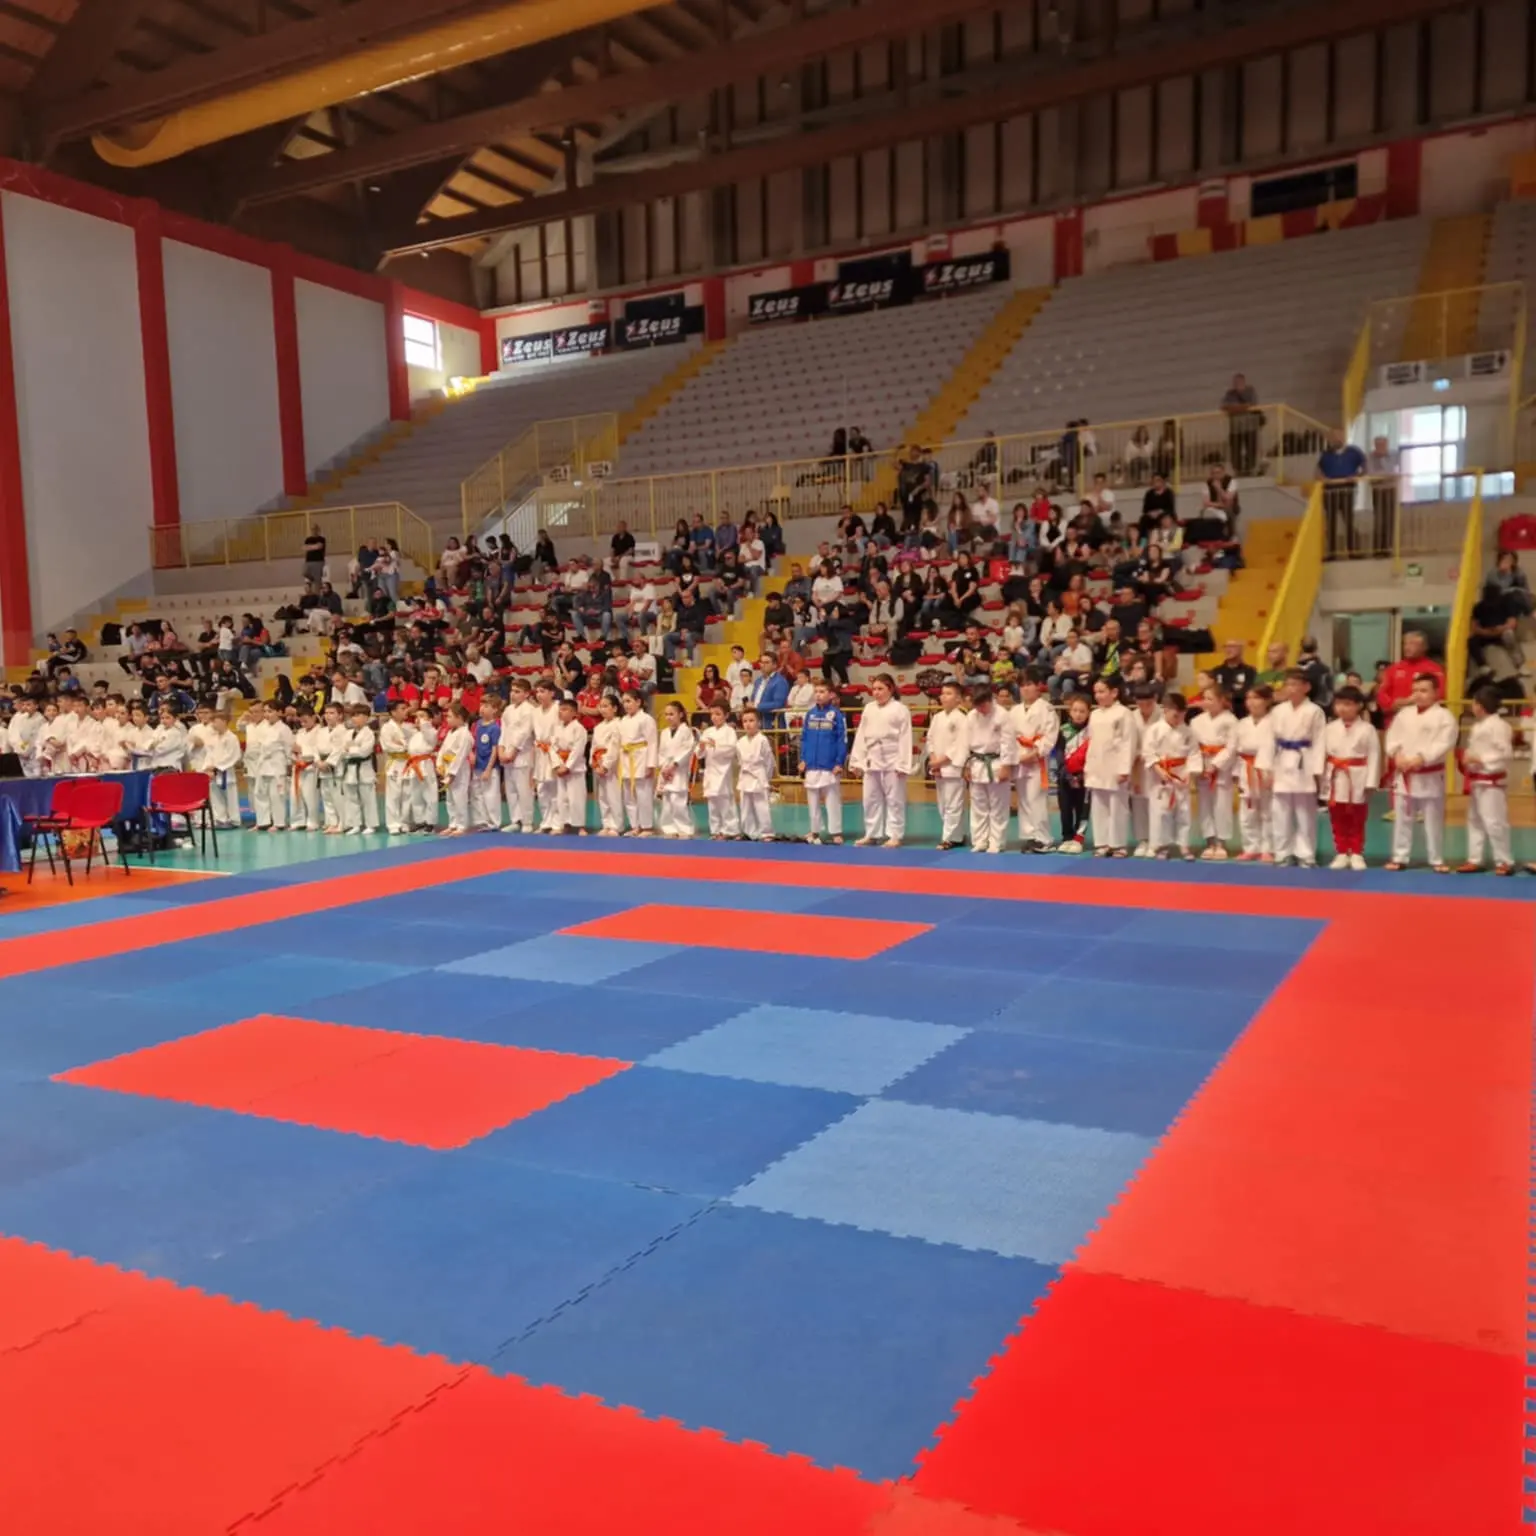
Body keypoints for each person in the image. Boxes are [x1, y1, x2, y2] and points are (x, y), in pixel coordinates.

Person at [1383, 671, 1457, 872]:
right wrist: (1396, 755)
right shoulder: (1404, 714)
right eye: (1415, 690)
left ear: (1436, 692)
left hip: (1430, 775)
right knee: (1402, 818)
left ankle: (1436, 858)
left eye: (1424, 690)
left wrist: (1420, 758)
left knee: (1433, 819)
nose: (1418, 694)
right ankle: (1399, 856)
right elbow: (1392, 738)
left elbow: (1444, 743)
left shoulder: (1444, 716)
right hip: (1405, 774)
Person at [1268, 668, 1326, 868]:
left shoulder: (1315, 711)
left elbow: (1320, 741)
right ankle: (1282, 852)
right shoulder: (1277, 710)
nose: (1291, 689)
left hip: (1305, 760)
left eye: (1295, 684)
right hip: (1282, 759)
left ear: (1306, 687)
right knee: (1280, 811)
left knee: (1305, 812)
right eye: (1288, 684)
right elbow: (1269, 741)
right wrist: (1265, 767)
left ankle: (1306, 853)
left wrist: (1318, 771)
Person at [849, 673, 913, 848]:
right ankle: (872, 832)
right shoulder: (869, 708)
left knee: (895, 799)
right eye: (874, 689)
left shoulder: (900, 709)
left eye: (880, 689)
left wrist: (903, 764)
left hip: (893, 759)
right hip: (872, 758)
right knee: (870, 798)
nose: (876, 693)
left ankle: (895, 834)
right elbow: (861, 735)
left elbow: (905, 738)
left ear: (890, 689)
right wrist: (857, 761)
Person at [1322, 684, 1379, 871]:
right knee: (1337, 815)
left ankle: (1356, 852)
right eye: (1339, 704)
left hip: (1357, 775)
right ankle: (1340, 851)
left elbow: (1375, 755)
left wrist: (1372, 781)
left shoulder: (1368, 729)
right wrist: (1320, 778)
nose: (1342, 708)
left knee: (1356, 816)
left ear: (1359, 706)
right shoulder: (1329, 728)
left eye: (1348, 704)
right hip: (1335, 774)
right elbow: (1321, 754)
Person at [1460, 687, 1513, 875]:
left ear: (1481, 706)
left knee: (1494, 821)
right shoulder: (1478, 726)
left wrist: (1480, 760)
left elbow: (1505, 754)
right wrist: (1468, 758)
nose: (1472, 707)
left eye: (1474, 703)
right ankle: (1475, 858)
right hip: (1477, 780)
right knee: (1474, 820)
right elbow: (1474, 749)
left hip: (1492, 781)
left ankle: (1504, 860)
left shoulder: (1499, 726)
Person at [1142, 691, 1198, 860]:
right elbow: (1148, 753)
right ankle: (1161, 845)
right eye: (1175, 714)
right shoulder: (1154, 730)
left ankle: (1184, 845)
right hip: (1160, 777)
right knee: (1160, 812)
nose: (1178, 718)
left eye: (1182, 714)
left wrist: (1190, 773)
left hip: (1181, 775)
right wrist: (1159, 771)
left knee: (1183, 811)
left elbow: (1194, 754)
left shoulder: (1188, 732)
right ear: (1165, 710)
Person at [1085, 676, 1136, 856]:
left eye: (1102, 691)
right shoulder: (1094, 714)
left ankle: (1118, 844)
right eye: (1095, 692)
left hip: (1115, 766)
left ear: (1114, 692)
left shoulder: (1123, 713)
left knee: (1118, 806)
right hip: (1097, 766)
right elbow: (1091, 742)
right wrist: (1088, 767)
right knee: (1098, 806)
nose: (1098, 696)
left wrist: (1124, 769)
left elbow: (1128, 743)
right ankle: (1102, 842)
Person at [965, 685, 1017, 854]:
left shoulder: (1002, 715)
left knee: (998, 806)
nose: (981, 709)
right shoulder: (971, 716)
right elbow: (964, 742)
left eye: (984, 705)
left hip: (996, 762)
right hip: (976, 763)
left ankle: (997, 842)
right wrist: (966, 766)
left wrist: (1006, 765)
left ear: (990, 700)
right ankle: (980, 840)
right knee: (978, 805)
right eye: (977, 706)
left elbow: (1008, 742)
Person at [796, 682, 847, 846]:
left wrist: (839, 762)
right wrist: (803, 759)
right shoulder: (809, 714)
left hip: (830, 764)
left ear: (831, 694)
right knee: (812, 800)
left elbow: (842, 740)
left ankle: (836, 831)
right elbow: (804, 739)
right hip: (812, 764)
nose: (818, 695)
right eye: (816, 692)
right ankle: (815, 829)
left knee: (832, 800)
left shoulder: (837, 715)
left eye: (822, 691)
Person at [1191, 684, 1238, 858]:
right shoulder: (1196, 721)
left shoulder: (1230, 720)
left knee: (1222, 804)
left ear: (1221, 701)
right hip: (1202, 764)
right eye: (1205, 698)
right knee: (1204, 805)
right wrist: (1199, 766)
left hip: (1220, 767)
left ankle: (1221, 843)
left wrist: (1215, 765)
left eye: (1211, 698)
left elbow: (1232, 747)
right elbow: (1192, 746)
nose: (1206, 702)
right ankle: (1209, 842)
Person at [925, 680, 969, 851]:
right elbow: (930, 739)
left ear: (958, 698)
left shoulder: (961, 718)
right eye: (942, 693)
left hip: (953, 767)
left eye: (949, 693)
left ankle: (948, 837)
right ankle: (957, 835)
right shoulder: (937, 717)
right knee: (943, 804)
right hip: (938, 766)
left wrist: (942, 760)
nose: (943, 697)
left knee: (953, 804)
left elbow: (960, 745)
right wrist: (933, 758)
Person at [1375, 630, 1445, 723]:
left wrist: (1409, 702)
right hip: (1394, 720)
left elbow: (1440, 694)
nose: (1407, 648)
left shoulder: (1434, 669)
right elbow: (1382, 693)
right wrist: (1392, 705)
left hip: (1423, 720)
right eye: (1405, 644)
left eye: (1412, 644)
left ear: (1424, 647)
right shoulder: (1394, 669)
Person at [1318, 431, 1366, 557]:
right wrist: (1323, 478)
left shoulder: (1354, 452)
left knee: (1349, 521)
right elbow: (1319, 470)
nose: (1336, 439)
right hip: (1330, 491)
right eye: (1334, 437)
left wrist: (1356, 476)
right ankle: (1332, 553)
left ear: (1344, 437)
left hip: (1347, 490)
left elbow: (1365, 466)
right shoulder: (1326, 454)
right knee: (1331, 522)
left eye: (1339, 436)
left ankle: (1354, 551)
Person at [497, 678, 536, 834]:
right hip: (507, 753)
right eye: (512, 691)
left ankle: (527, 821)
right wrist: (501, 749)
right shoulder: (508, 710)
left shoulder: (529, 710)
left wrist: (513, 751)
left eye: (517, 691)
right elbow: (504, 732)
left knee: (524, 790)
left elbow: (524, 733)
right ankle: (515, 819)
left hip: (522, 754)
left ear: (526, 694)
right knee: (511, 790)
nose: (513, 694)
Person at [1054, 692, 1091, 852]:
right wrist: (1065, 772)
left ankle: (1078, 838)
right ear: (1070, 711)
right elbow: (1059, 752)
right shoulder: (1063, 730)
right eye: (1075, 710)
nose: (1078, 714)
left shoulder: (1091, 732)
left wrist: (1083, 773)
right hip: (1065, 777)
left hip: (1085, 777)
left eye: (1082, 711)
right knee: (1065, 808)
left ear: (1088, 712)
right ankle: (1066, 837)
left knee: (1082, 808)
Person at [617, 690, 658, 835]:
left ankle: (647, 826)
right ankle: (635, 825)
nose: (626, 705)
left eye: (629, 701)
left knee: (643, 794)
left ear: (638, 702)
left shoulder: (646, 719)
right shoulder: (623, 720)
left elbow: (652, 742)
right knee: (628, 795)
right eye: (624, 702)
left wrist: (651, 764)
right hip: (626, 758)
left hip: (641, 758)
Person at [698, 702, 741, 840]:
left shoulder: (730, 731)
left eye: (718, 714)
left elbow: (731, 749)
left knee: (725, 801)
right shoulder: (708, 731)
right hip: (710, 770)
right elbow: (699, 754)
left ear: (726, 715)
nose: (714, 717)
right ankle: (715, 830)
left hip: (723, 770)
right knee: (712, 802)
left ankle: (731, 830)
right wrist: (702, 747)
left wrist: (716, 745)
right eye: (712, 714)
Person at [549, 694, 589, 834]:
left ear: (574, 713)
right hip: (560, 765)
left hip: (574, 768)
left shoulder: (579, 728)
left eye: (565, 709)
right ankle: (564, 823)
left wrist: (567, 766)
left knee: (576, 798)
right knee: (562, 798)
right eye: (560, 709)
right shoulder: (556, 727)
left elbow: (578, 750)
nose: (561, 712)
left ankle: (580, 825)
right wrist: (557, 765)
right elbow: (552, 748)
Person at [657, 701, 697, 839]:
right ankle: (669, 827)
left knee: (678, 800)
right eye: (666, 714)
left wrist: (674, 764)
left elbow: (688, 750)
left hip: (679, 770)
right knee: (667, 802)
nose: (668, 717)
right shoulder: (664, 733)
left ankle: (685, 828)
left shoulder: (686, 731)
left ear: (680, 714)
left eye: (671, 714)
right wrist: (663, 767)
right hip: (666, 770)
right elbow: (661, 752)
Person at [736, 708, 776, 841]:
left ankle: (767, 832)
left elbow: (769, 761)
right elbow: (740, 760)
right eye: (745, 721)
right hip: (745, 775)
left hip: (759, 775)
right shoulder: (740, 742)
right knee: (745, 806)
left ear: (758, 722)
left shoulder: (762, 739)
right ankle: (749, 831)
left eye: (751, 720)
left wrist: (767, 778)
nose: (748, 724)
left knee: (761, 806)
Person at [253, 701, 294, 832]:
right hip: (262, 765)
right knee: (260, 794)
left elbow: (289, 749)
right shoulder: (262, 728)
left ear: (279, 713)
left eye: (270, 711)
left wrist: (289, 766)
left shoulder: (284, 729)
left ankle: (279, 823)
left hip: (277, 766)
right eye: (265, 711)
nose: (267, 714)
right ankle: (262, 822)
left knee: (276, 796)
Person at [589, 694, 625, 837]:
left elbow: (614, 746)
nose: (602, 709)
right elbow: (594, 746)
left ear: (615, 708)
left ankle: (617, 825)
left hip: (612, 764)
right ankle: (606, 823)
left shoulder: (618, 724)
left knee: (614, 795)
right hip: (598, 761)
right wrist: (593, 762)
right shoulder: (598, 727)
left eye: (606, 706)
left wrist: (606, 765)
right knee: (602, 796)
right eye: (600, 706)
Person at [436, 703, 473, 835]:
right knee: (450, 799)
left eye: (450, 717)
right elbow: (442, 750)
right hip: (446, 766)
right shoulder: (451, 732)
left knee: (459, 798)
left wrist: (452, 773)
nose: (447, 719)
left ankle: (462, 825)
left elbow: (460, 756)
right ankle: (453, 823)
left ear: (459, 717)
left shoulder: (466, 735)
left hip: (459, 770)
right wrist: (439, 764)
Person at [530, 679, 562, 832]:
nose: (539, 695)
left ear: (552, 693)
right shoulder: (535, 712)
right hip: (539, 751)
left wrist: (552, 747)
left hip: (553, 750)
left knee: (554, 787)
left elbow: (561, 732)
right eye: (537, 691)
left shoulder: (558, 709)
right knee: (542, 788)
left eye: (542, 691)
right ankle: (545, 821)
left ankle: (557, 822)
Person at [376, 699, 412, 835]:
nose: (405, 711)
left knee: (407, 793)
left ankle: (405, 822)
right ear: (393, 712)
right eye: (402, 709)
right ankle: (393, 824)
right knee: (394, 794)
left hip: (409, 763)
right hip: (395, 762)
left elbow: (415, 743)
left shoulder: (409, 727)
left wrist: (404, 745)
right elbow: (387, 746)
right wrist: (405, 746)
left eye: (406, 708)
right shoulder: (387, 728)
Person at [204, 711, 243, 829]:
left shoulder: (232, 738)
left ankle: (234, 820)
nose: (213, 724)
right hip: (212, 773)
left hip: (225, 772)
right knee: (215, 796)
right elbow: (209, 754)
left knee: (230, 797)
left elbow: (233, 756)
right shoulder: (213, 737)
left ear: (224, 721)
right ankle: (220, 819)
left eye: (215, 721)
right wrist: (208, 767)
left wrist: (216, 767)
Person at [469, 696, 503, 832]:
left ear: (494, 710)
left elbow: (495, 750)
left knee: (491, 794)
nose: (482, 708)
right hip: (478, 764)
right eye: (481, 705)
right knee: (476, 793)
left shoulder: (495, 728)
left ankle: (493, 822)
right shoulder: (477, 724)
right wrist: (473, 756)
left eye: (487, 706)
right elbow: (476, 744)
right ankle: (481, 820)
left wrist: (489, 768)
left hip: (490, 766)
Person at [346, 704, 379, 834]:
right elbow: (343, 750)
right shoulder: (349, 733)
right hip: (351, 768)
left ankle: (371, 824)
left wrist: (351, 749)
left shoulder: (369, 733)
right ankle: (355, 824)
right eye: (353, 715)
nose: (355, 718)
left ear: (366, 718)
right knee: (352, 797)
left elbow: (364, 752)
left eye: (358, 715)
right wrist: (353, 749)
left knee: (367, 797)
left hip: (364, 768)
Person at [1220, 372, 1260, 475]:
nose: (1236, 384)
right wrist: (1242, 408)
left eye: (1239, 382)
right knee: (1235, 450)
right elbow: (1224, 407)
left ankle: (1249, 469)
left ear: (1243, 382)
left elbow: (1252, 405)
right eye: (1235, 382)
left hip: (1250, 426)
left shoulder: (1250, 391)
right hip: (1235, 427)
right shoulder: (1229, 394)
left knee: (1251, 449)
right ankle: (1238, 470)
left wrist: (1235, 408)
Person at [406, 710, 439, 833]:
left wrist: (424, 723)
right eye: (417, 716)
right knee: (416, 794)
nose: (418, 719)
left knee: (429, 794)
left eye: (422, 716)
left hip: (425, 765)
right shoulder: (415, 734)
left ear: (430, 720)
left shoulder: (431, 732)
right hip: (414, 765)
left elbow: (428, 733)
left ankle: (430, 822)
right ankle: (419, 821)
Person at [1212, 640, 1257, 717]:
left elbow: (1248, 690)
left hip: (1242, 712)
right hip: (1221, 711)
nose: (1228, 650)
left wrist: (1230, 697)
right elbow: (1214, 689)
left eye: (1232, 647)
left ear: (1241, 650)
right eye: (1225, 647)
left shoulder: (1249, 671)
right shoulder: (1217, 671)